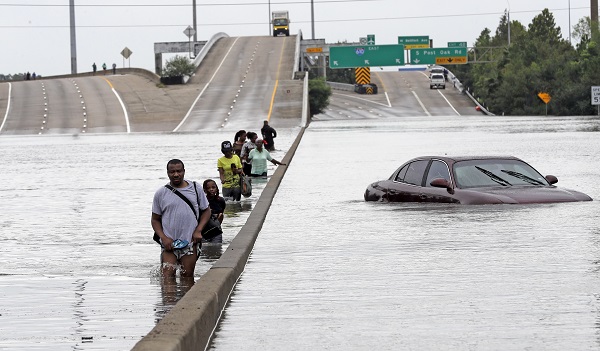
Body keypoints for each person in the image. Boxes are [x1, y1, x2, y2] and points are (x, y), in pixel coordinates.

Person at [151, 159, 211, 278]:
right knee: (167, 277)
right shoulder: (161, 193)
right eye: (172, 172)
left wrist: (198, 230)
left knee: (187, 277)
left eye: (179, 171)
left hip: (190, 243)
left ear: (184, 171)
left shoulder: (195, 188)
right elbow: (155, 219)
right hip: (169, 244)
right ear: (167, 173)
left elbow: (206, 211)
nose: (176, 174)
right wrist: (163, 237)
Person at [202, 179, 226, 243]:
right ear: (204, 190)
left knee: (217, 247)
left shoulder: (221, 201)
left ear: (216, 188)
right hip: (205, 229)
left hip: (217, 229)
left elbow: (221, 214)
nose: (211, 189)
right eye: (208, 188)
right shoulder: (203, 202)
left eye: (213, 187)